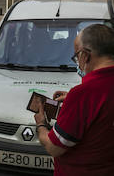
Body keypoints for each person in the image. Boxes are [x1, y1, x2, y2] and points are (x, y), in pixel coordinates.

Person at [34, 24, 114, 174]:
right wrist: (74, 99)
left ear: (85, 55)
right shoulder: (82, 95)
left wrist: (41, 125)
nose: (78, 62)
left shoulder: (82, 94)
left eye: (76, 56)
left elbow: (54, 147)